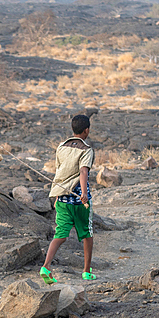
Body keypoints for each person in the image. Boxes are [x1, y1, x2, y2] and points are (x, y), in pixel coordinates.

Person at [40, 114, 96, 284]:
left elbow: (59, 171)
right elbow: (83, 172)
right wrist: (84, 194)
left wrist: (57, 195)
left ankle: (46, 267)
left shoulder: (61, 147)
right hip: (79, 200)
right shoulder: (86, 150)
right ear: (86, 130)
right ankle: (86, 271)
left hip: (62, 199)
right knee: (87, 233)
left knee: (60, 234)